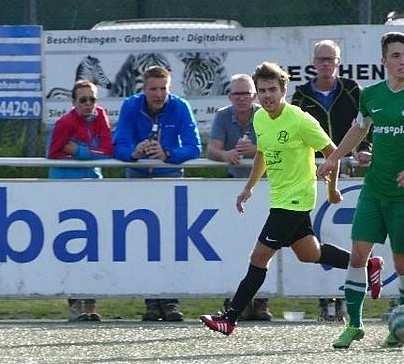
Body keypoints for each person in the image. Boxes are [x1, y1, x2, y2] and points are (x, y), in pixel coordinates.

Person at [199, 62, 382, 336]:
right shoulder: (260, 119)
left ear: (283, 90)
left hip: (295, 200)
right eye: (262, 91)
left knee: (259, 257)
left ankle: (230, 318)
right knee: (310, 253)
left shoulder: (300, 120)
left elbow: (332, 153)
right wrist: (249, 188)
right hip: (280, 198)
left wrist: (332, 190)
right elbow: (263, 154)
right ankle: (368, 264)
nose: (267, 96)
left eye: (272, 90)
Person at [319, 32, 404, 349]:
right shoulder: (372, 95)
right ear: (384, 61)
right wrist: (334, 158)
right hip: (374, 190)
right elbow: (359, 128)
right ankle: (354, 325)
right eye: (397, 55)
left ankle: (402, 323)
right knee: (358, 255)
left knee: (402, 263)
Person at [114, 65, 202, 322]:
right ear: (143, 89)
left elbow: (194, 147)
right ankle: (151, 301)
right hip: (138, 178)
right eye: (153, 89)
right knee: (142, 240)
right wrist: (134, 152)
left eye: (163, 88)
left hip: (169, 178)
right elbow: (118, 145)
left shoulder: (180, 106)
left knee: (173, 240)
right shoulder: (131, 106)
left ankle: (171, 301)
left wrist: (168, 154)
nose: (159, 94)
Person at [291, 39, 370, 322]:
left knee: (345, 234)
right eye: (321, 59)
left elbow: (366, 124)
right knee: (320, 236)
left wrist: (364, 149)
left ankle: (348, 298)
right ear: (313, 63)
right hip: (313, 173)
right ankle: (326, 300)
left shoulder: (352, 90)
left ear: (338, 62)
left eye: (330, 59)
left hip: (346, 171)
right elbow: (294, 131)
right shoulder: (301, 95)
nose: (326, 64)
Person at [47, 79, 114, 322]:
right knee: (72, 246)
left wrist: (78, 151)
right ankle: (75, 304)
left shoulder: (101, 116)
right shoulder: (65, 123)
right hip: (67, 186)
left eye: (92, 99)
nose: (88, 104)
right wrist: (87, 153)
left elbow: (108, 150)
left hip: (92, 184)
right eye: (83, 100)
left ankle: (91, 304)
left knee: (94, 246)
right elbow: (53, 152)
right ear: (73, 102)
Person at [207, 73, 272, 321]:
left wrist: (255, 150)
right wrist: (226, 155)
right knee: (234, 243)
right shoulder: (223, 115)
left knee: (265, 246)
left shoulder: (266, 114)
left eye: (246, 93)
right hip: (234, 186)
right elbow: (211, 149)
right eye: (237, 94)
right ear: (229, 96)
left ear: (254, 95)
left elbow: (276, 147)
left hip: (265, 185)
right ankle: (234, 301)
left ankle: (262, 301)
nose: (242, 98)